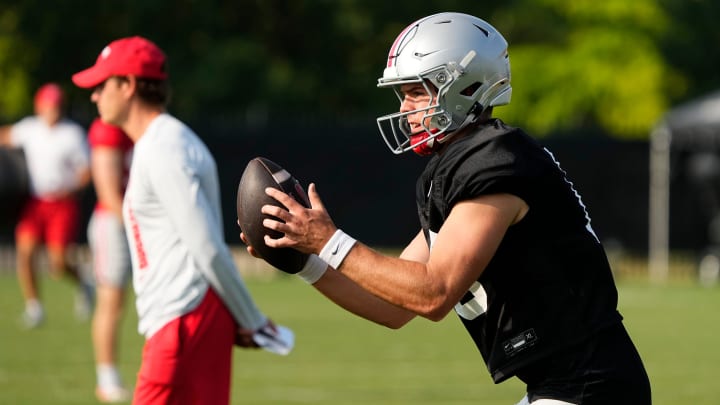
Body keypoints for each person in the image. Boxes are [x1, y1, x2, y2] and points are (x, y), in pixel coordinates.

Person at [246, 12, 652, 405]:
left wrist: (330, 240)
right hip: (567, 384)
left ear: (465, 86)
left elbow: (434, 293)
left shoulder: (496, 160)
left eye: (416, 91)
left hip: (590, 385)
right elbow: (394, 305)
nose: (405, 110)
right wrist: (308, 261)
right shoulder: (459, 166)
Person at [72, 36, 280, 405]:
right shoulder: (157, 143)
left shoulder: (165, 146)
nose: (94, 95)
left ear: (129, 85)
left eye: (102, 84)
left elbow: (206, 245)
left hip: (185, 321)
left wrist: (250, 318)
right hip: (184, 320)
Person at [0, 82, 92, 328]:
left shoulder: (72, 134)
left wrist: (71, 189)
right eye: (49, 105)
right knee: (25, 254)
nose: (53, 110)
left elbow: (86, 171)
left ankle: (84, 284)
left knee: (58, 262)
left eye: (57, 105)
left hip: (62, 202)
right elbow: (6, 136)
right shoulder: (31, 128)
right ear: (39, 106)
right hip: (35, 202)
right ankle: (34, 307)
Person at [86, 118, 134, 402]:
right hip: (114, 223)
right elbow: (109, 193)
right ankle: (106, 378)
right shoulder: (108, 128)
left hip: (132, 221)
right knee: (111, 301)